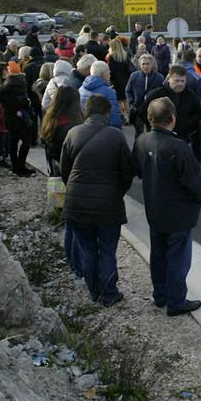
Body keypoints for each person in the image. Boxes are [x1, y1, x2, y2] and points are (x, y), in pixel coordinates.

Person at [133, 97, 201, 316]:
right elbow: (194, 183)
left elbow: (137, 170)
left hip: (155, 207)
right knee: (178, 258)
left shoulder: (142, 140)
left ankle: (160, 294)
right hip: (179, 213)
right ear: (172, 118)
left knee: (159, 254)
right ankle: (176, 301)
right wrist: (198, 198)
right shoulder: (178, 147)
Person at [61, 94, 134, 306]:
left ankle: (94, 291)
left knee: (88, 249)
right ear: (107, 112)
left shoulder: (72, 133)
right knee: (108, 250)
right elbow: (126, 172)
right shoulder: (116, 136)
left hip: (77, 204)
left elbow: (65, 171)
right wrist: (117, 192)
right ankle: (109, 292)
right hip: (108, 204)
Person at [40, 85, 83, 272]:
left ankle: (72, 262)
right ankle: (76, 265)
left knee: (69, 224)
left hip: (57, 175)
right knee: (76, 227)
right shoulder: (71, 128)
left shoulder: (51, 120)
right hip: (72, 179)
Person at [142, 65, 201, 144]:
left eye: (182, 81)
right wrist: (152, 128)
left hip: (183, 138)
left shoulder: (190, 96)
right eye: (176, 81)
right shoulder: (156, 95)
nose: (180, 84)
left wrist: (188, 125)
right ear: (169, 79)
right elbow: (144, 113)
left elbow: (197, 113)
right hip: (159, 138)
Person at [0, 61, 35, 176]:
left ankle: (16, 166)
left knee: (13, 142)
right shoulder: (19, 84)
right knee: (26, 141)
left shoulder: (4, 86)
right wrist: (26, 103)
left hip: (9, 117)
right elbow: (21, 101)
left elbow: (5, 100)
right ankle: (21, 166)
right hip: (20, 117)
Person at [125, 54, 164, 140]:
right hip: (137, 109)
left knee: (152, 133)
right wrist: (132, 102)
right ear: (140, 65)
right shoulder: (134, 76)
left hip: (152, 110)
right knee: (139, 133)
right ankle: (137, 151)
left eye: (147, 64)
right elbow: (128, 90)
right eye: (143, 64)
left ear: (152, 64)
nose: (145, 66)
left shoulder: (159, 77)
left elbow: (162, 93)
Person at [79, 61, 121, 129]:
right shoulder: (109, 92)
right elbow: (114, 117)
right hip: (104, 130)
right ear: (103, 75)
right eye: (109, 73)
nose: (110, 76)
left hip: (84, 128)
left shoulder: (81, 89)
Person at [106, 38, 133, 121]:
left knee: (119, 101)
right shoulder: (126, 55)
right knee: (125, 100)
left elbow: (111, 70)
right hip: (126, 80)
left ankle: (123, 117)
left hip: (116, 81)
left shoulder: (111, 57)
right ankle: (129, 116)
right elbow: (129, 69)